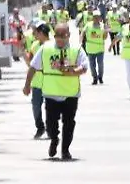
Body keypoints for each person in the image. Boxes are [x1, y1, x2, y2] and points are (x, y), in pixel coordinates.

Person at [23, 23, 88, 160]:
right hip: (51, 94)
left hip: (70, 94)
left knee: (69, 123)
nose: (60, 39)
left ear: (68, 36)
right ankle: (54, 139)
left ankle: (65, 150)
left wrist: (73, 72)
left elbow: (84, 67)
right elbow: (33, 67)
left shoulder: (77, 49)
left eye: (63, 36)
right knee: (51, 124)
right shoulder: (46, 49)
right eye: (57, 36)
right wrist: (27, 85)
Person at [23, 21, 51, 139]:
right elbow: (30, 63)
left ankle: (51, 128)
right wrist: (23, 53)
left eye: (36, 32)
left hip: (51, 81)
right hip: (37, 81)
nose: (34, 34)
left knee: (51, 108)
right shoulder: (34, 45)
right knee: (36, 106)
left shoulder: (53, 45)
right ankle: (40, 127)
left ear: (42, 33)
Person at [82, 12, 108, 84]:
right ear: (92, 18)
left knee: (100, 64)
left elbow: (105, 38)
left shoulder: (103, 26)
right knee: (92, 65)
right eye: (95, 17)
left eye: (97, 17)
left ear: (100, 18)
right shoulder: (88, 25)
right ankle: (95, 78)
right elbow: (83, 32)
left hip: (100, 49)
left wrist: (106, 32)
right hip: (90, 49)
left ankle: (100, 77)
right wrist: (81, 40)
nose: (96, 18)